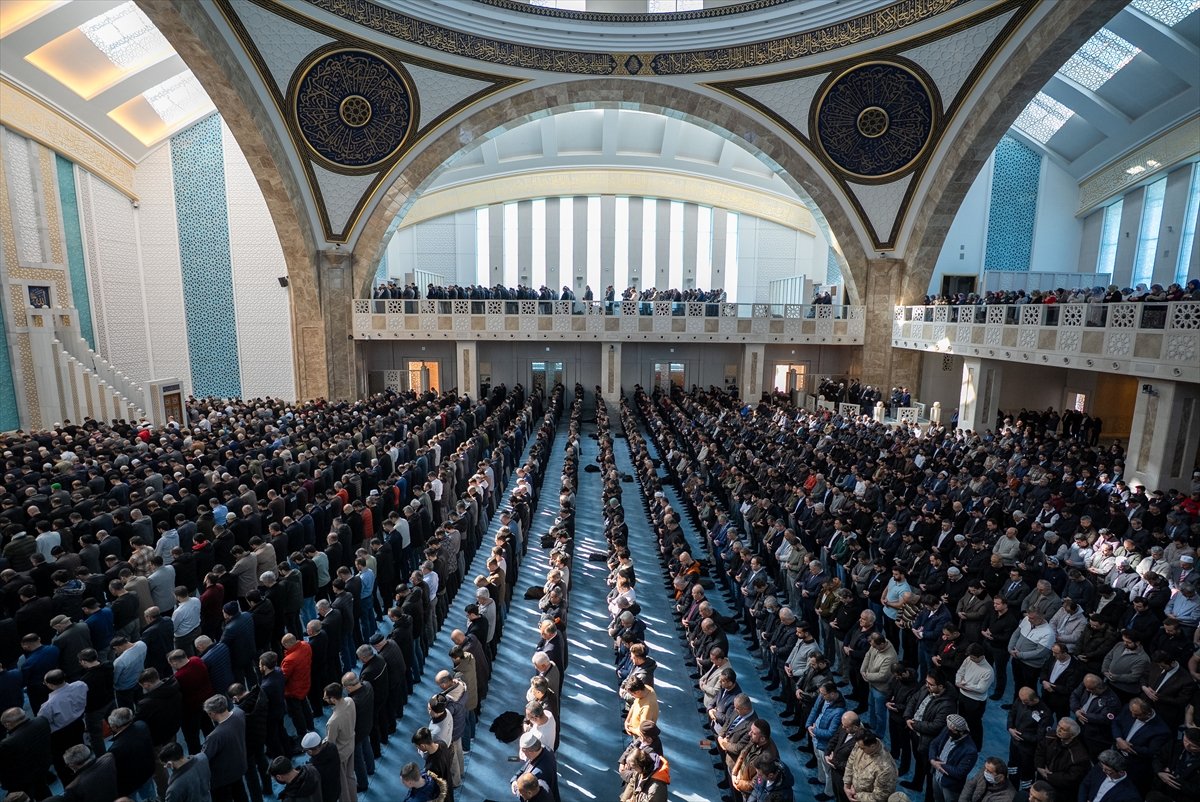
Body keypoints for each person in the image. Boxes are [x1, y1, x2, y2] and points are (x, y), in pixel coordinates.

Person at [202, 693, 249, 802]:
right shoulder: (239, 714)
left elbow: (204, 757)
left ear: (212, 713)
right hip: (239, 766)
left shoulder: (214, 736)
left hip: (222, 777)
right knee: (241, 794)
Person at [0, 707, 52, 800]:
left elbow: (5, 766)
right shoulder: (42, 721)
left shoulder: (8, 743)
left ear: (8, 724)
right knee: (43, 792)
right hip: (43, 766)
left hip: (23, 779)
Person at [927, 714, 978, 802]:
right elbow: (934, 744)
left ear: (960, 732)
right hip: (937, 776)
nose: (948, 732)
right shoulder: (948, 730)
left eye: (952, 731)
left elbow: (959, 772)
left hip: (950, 786)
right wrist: (932, 760)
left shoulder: (970, 751)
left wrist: (939, 765)